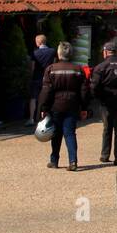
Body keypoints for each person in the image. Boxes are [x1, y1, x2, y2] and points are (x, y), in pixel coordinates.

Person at [37, 41, 91, 170]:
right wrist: (84, 108)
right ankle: (73, 161)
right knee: (70, 133)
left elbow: (46, 91)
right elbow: (84, 90)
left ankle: (54, 160)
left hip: (55, 105)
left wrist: (43, 108)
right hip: (72, 105)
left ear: (59, 53)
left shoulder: (50, 69)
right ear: (71, 53)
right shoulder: (78, 70)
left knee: (56, 133)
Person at [29, 34, 56, 122]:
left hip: (37, 77)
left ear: (38, 42)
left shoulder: (34, 53)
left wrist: (31, 76)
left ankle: (31, 118)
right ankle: (49, 116)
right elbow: (54, 65)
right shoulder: (52, 51)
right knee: (49, 97)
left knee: (33, 98)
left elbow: (32, 67)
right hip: (48, 78)